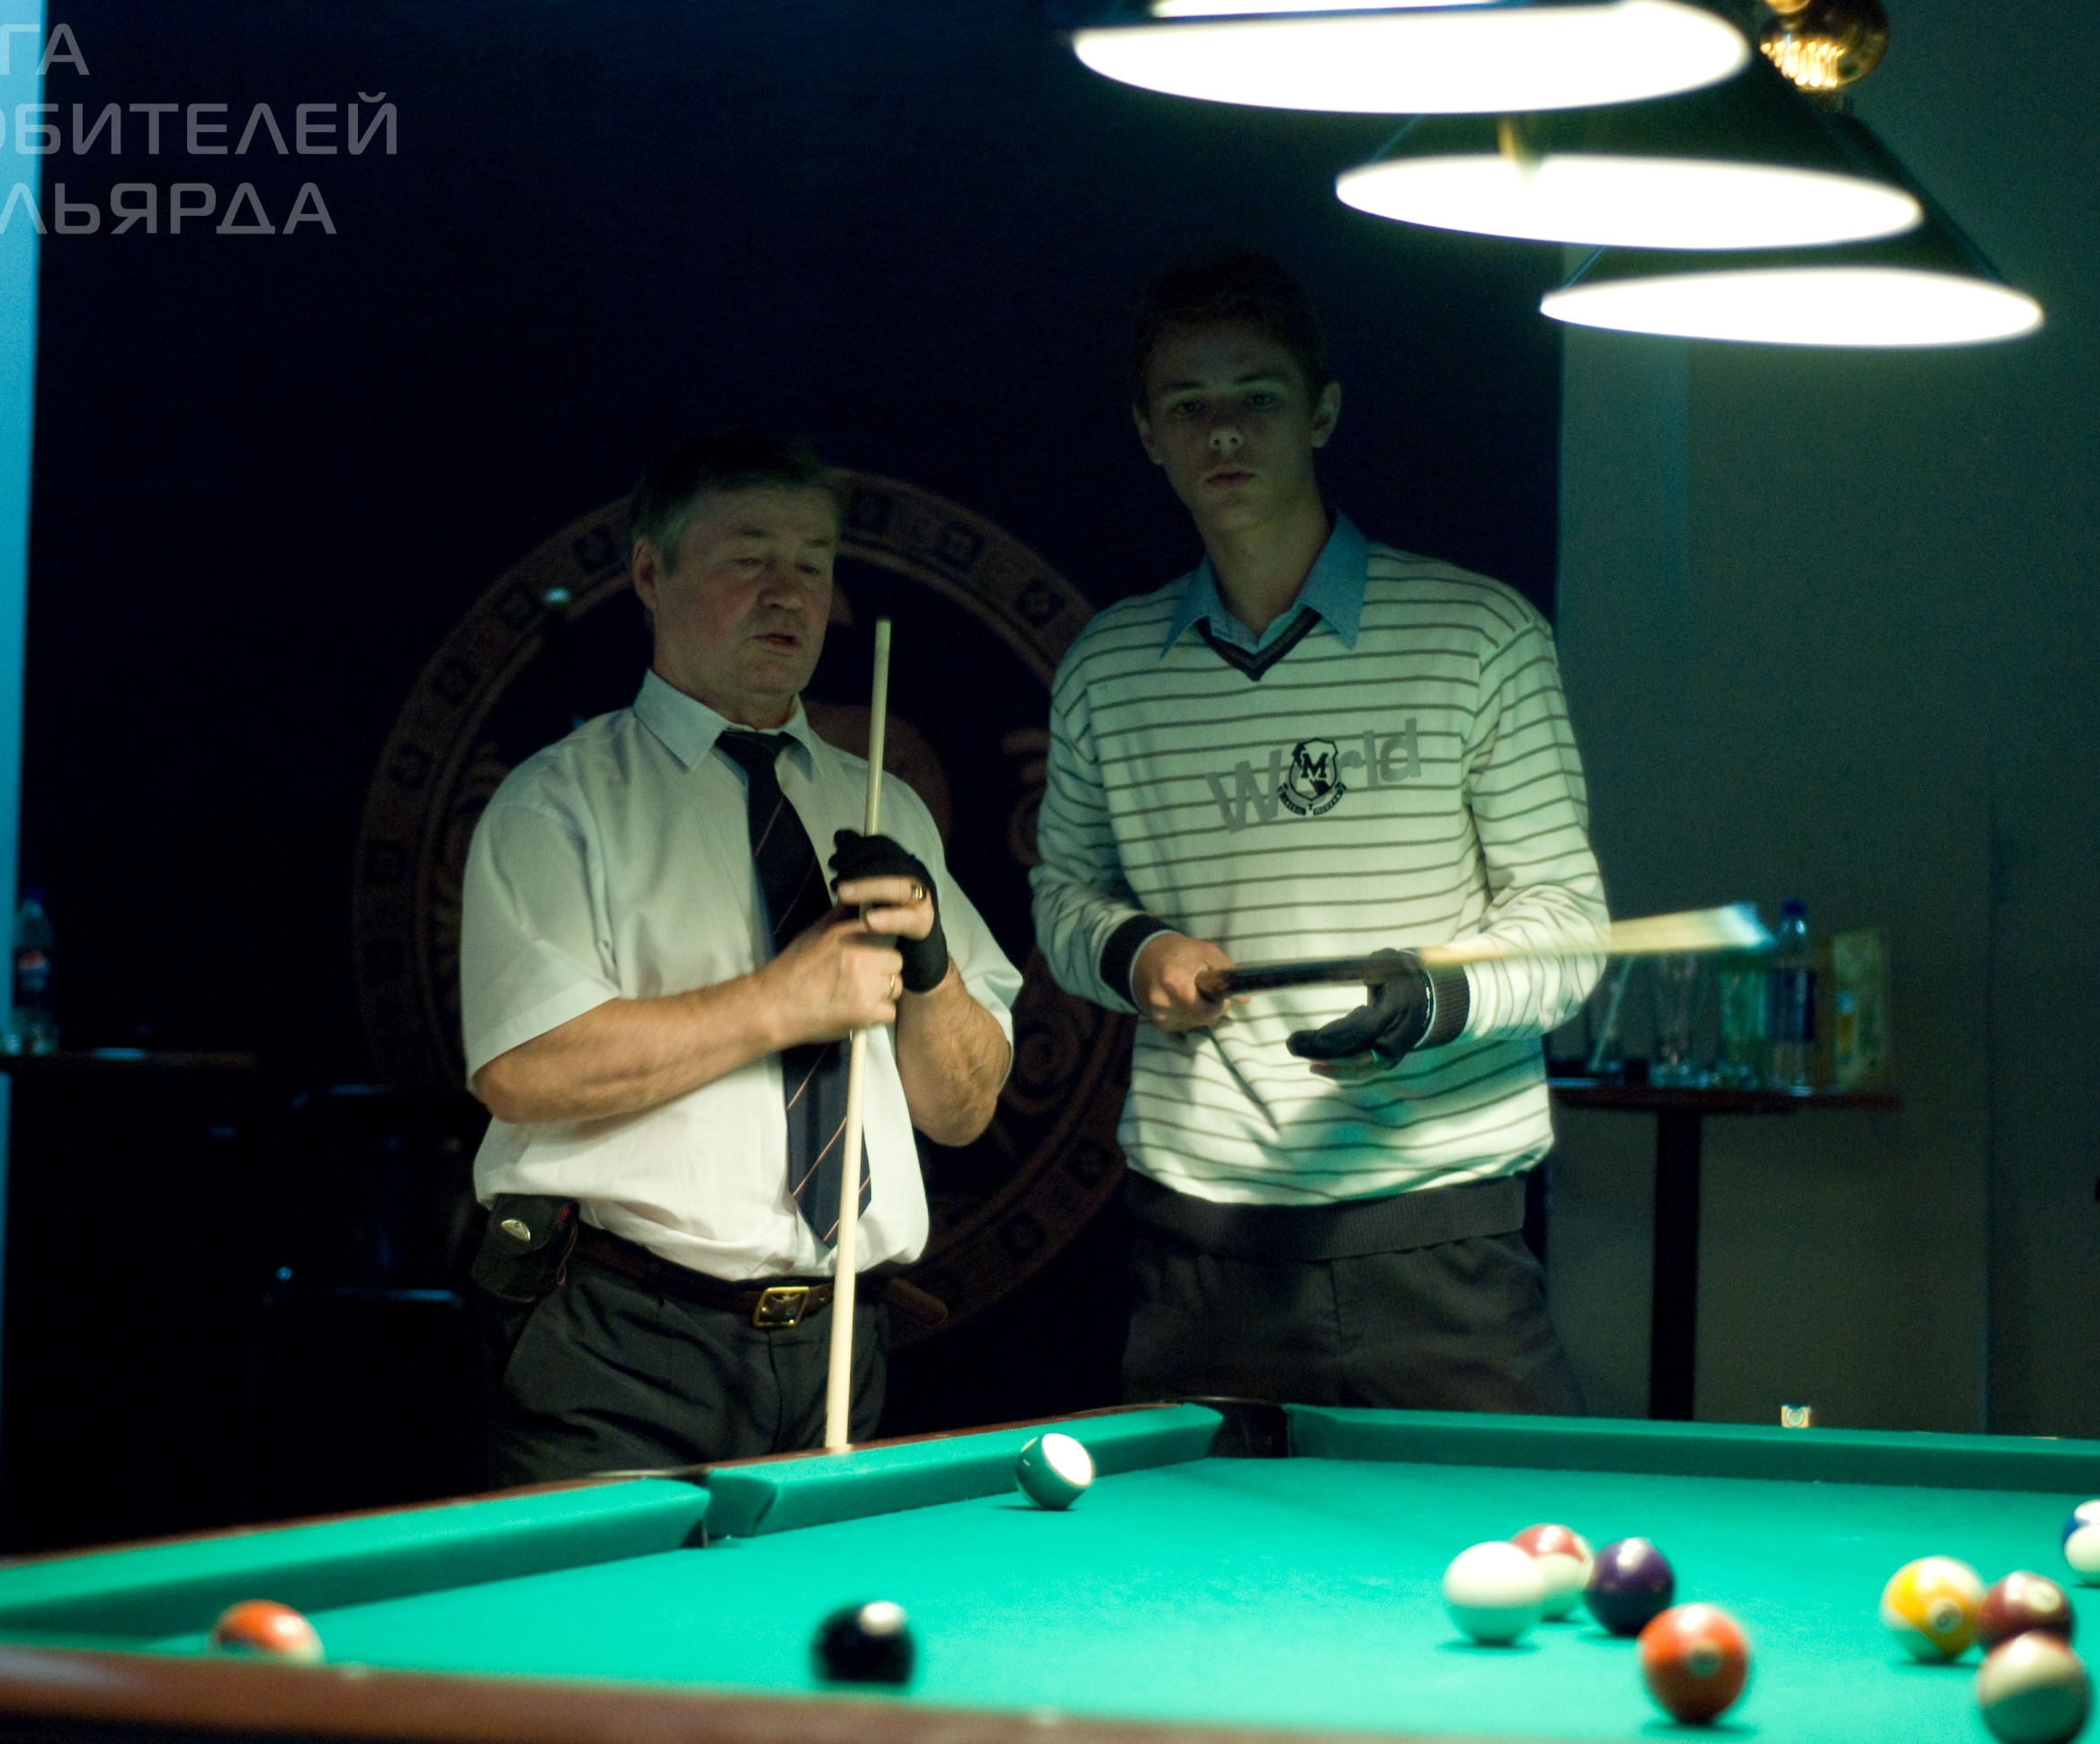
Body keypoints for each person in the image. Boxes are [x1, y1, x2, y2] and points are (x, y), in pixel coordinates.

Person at [1030, 249, 1609, 1414]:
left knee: (1524, 1530)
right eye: (1188, 405)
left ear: (1323, 413)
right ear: (1147, 434)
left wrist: (1434, 995)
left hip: (1437, 1244)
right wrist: (1138, 952)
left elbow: (1569, 926)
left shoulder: (1478, 634)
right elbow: (1062, 895)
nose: (1222, 430)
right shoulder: (1107, 667)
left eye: (1257, 396)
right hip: (1200, 1256)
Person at [460, 428, 1023, 1483]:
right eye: (748, 557)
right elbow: (523, 1069)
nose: (787, 593)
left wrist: (932, 971)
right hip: (618, 1346)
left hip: (840, 1346)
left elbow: (962, 1108)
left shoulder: (883, 806)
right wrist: (782, 1002)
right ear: (649, 574)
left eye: (811, 563)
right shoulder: (559, 802)